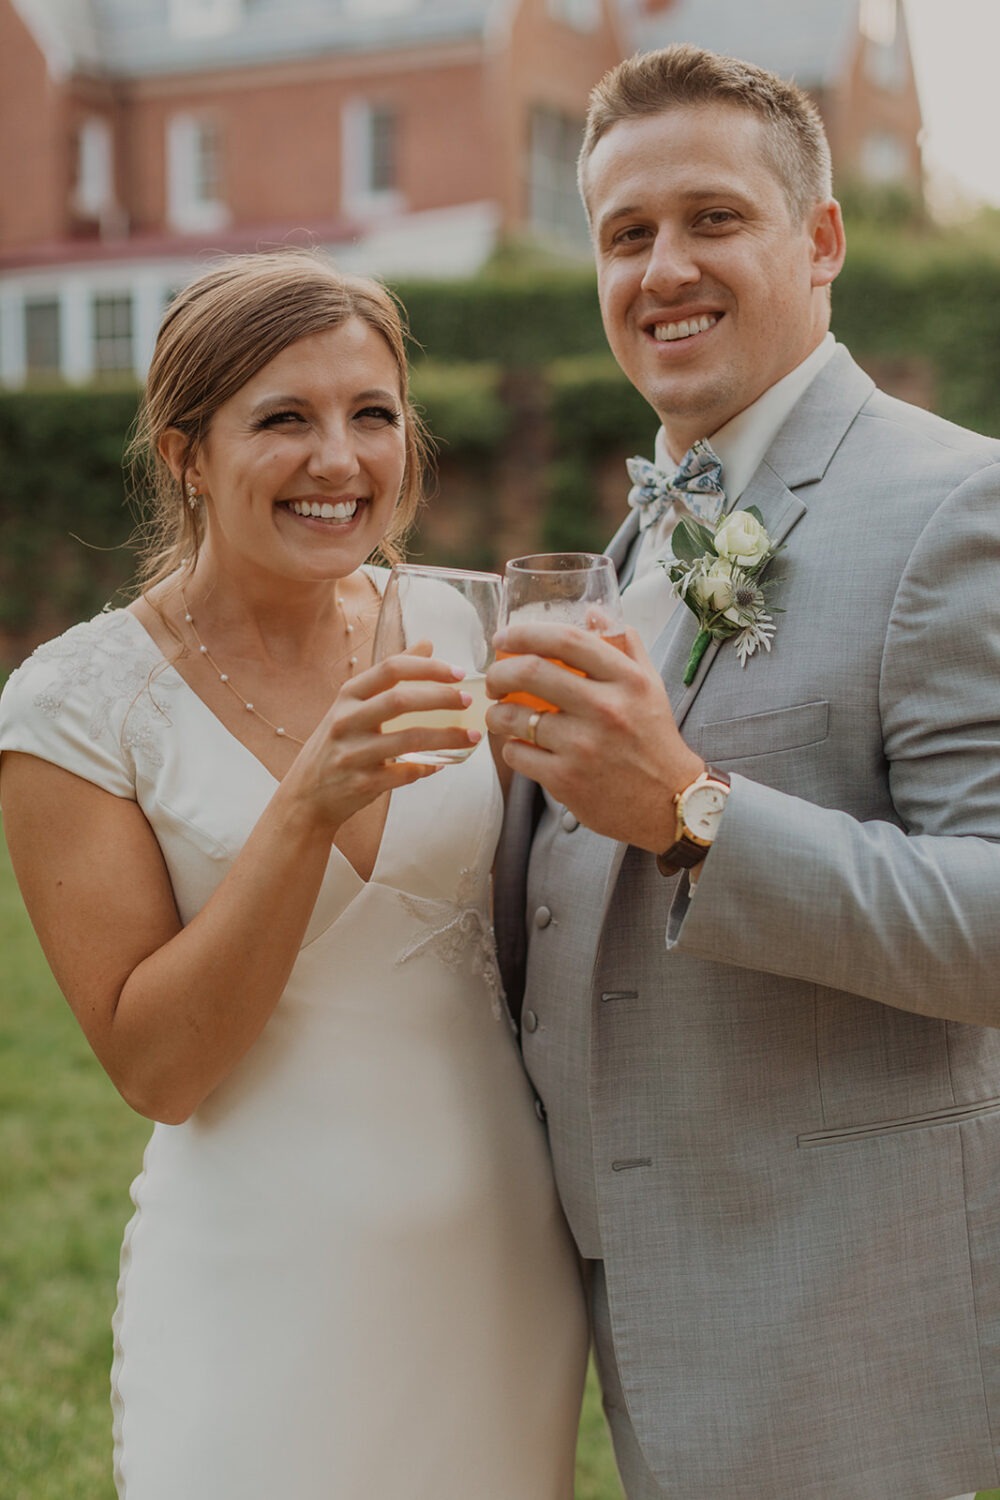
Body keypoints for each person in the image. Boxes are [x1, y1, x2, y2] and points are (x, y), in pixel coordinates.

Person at [487, 43, 1000, 1500]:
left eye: (714, 218)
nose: (663, 269)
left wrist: (691, 815)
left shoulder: (957, 502)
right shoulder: (639, 535)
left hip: (840, 1310)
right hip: (649, 1305)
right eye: (625, 235)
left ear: (820, 240)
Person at [0, 248, 587, 1499]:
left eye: (373, 414)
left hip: (494, 1272)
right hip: (255, 1283)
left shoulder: (455, 625)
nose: (341, 460)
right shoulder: (77, 705)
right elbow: (157, 1069)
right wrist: (305, 805)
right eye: (285, 419)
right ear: (183, 455)